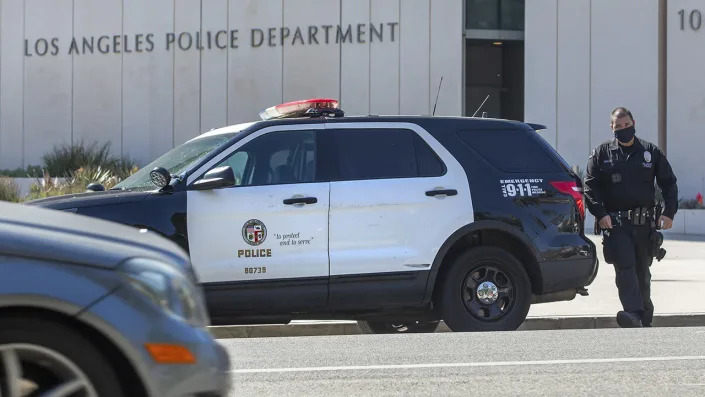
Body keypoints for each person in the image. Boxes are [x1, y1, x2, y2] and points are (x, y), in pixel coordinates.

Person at [583, 107, 678, 328]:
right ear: (612, 128)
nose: (623, 130)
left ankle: (645, 315)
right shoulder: (602, 153)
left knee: (642, 273)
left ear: (633, 123)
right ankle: (632, 313)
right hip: (616, 224)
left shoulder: (650, 152)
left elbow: (669, 183)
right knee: (625, 269)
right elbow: (590, 186)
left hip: (644, 224)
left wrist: (668, 212)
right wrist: (600, 214)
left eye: (626, 125)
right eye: (618, 127)